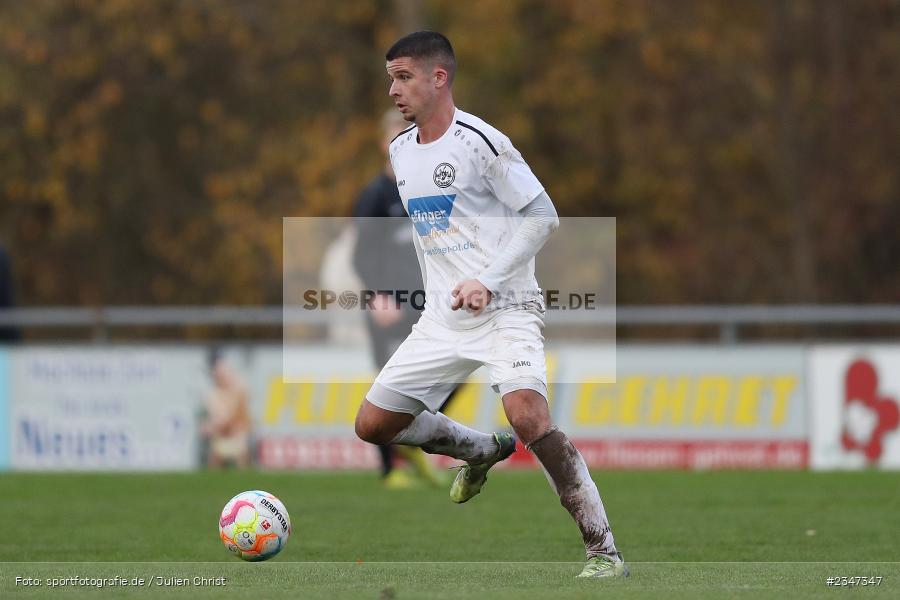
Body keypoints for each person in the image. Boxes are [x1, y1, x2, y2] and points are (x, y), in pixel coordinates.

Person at [353, 31, 628, 579]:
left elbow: (542, 215)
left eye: (403, 77)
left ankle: (604, 553)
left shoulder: (482, 141)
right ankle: (479, 450)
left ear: (440, 77)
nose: (393, 90)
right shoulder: (400, 152)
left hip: (508, 308)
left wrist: (489, 278)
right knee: (373, 425)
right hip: (442, 319)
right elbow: (439, 240)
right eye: (390, 78)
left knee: (528, 416)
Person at [352, 109, 450, 489]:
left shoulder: (424, 188)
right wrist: (377, 296)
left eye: (408, 134)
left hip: (426, 301)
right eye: (395, 135)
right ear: (383, 143)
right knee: (388, 381)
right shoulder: (375, 194)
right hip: (387, 303)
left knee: (451, 372)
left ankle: (415, 433)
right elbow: (360, 253)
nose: (403, 141)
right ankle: (390, 469)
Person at [201, 350, 252, 468]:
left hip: (238, 434)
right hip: (221, 436)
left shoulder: (240, 389)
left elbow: (237, 416)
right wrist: (212, 426)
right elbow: (218, 418)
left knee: (242, 452)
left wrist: (214, 426)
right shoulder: (212, 395)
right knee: (215, 455)